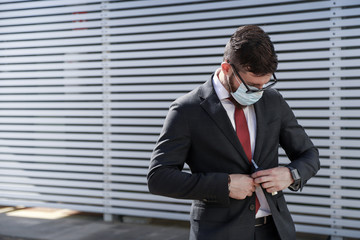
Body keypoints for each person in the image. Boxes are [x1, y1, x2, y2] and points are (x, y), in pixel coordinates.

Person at [147, 25, 320, 240]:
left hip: (276, 231)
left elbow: (310, 155)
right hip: (219, 234)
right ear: (226, 68)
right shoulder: (186, 110)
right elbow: (159, 178)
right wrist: (224, 185)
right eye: (250, 85)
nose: (258, 92)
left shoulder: (273, 100)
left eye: (264, 85)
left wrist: (291, 174)